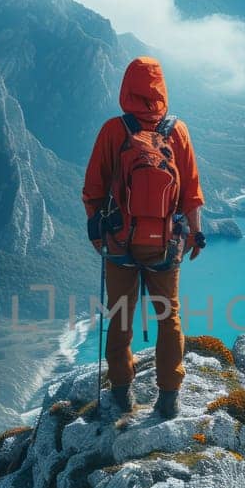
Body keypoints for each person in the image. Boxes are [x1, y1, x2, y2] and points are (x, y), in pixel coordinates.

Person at [83, 57, 205, 419]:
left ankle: (122, 392)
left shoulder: (113, 130)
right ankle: (169, 396)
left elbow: (92, 190)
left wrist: (99, 237)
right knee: (169, 316)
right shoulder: (177, 131)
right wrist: (195, 235)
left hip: (119, 244)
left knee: (120, 314)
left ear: (126, 88)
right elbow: (192, 193)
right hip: (166, 246)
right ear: (161, 88)